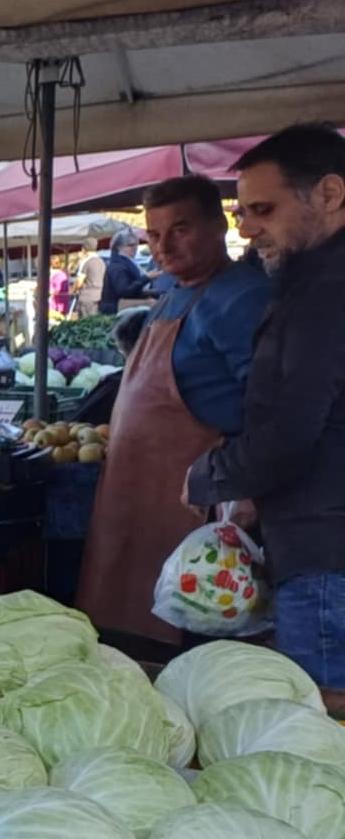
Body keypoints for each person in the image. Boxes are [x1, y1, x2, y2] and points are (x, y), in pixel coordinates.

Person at [187, 125, 345, 704]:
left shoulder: (327, 291)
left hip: (328, 557)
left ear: (329, 195)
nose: (247, 230)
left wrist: (210, 474)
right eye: (241, 212)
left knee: (325, 740)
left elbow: (289, 433)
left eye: (262, 209)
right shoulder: (315, 284)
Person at [79, 175, 269, 645]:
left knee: (182, 645)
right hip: (132, 501)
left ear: (219, 226)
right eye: (154, 233)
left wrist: (247, 490)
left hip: (193, 514)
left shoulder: (242, 297)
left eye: (179, 229)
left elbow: (268, 406)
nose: (163, 245)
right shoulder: (172, 294)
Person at [99, 228, 150, 313]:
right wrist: (146, 278)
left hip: (121, 310)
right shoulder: (118, 266)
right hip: (115, 312)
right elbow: (124, 291)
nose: (135, 248)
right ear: (119, 247)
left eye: (136, 245)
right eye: (131, 245)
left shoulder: (128, 263)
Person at [77, 246, 108, 313]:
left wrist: (72, 290)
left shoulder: (85, 261)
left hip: (87, 296)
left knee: (85, 321)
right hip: (100, 295)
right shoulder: (102, 262)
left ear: (83, 249)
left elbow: (79, 282)